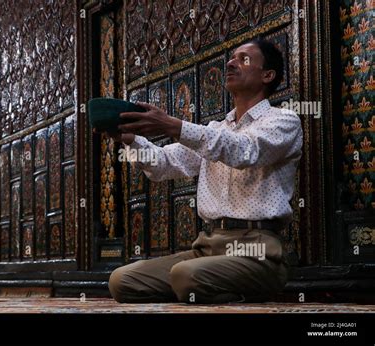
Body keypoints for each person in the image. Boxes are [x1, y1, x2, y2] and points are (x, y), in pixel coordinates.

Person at [106, 39, 303, 304]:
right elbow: (162, 164)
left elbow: (244, 151)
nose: (231, 63)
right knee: (122, 280)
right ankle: (198, 291)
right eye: (232, 58)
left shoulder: (284, 120)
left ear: (268, 75)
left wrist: (171, 125)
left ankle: (217, 291)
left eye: (244, 59)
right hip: (208, 246)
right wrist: (130, 139)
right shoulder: (215, 130)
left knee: (186, 276)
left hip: (258, 250)